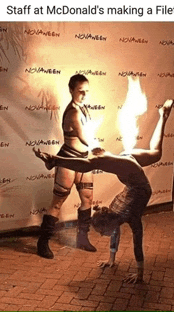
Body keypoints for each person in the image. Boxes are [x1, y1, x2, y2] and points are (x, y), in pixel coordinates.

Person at [33, 99, 174, 283]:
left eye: (102, 232)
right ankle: (163, 115)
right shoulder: (117, 214)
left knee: (92, 164)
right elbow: (116, 231)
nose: (102, 235)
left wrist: (140, 275)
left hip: (133, 176)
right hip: (131, 175)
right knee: (155, 154)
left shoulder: (128, 215)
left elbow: (137, 244)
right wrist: (111, 260)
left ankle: (56, 161)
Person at [37, 74, 99, 260]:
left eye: (87, 91)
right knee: (57, 202)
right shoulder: (73, 112)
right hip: (69, 160)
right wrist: (98, 149)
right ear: (71, 90)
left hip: (82, 160)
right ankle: (43, 243)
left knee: (87, 198)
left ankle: (82, 239)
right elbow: (83, 136)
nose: (85, 95)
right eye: (81, 92)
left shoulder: (83, 108)